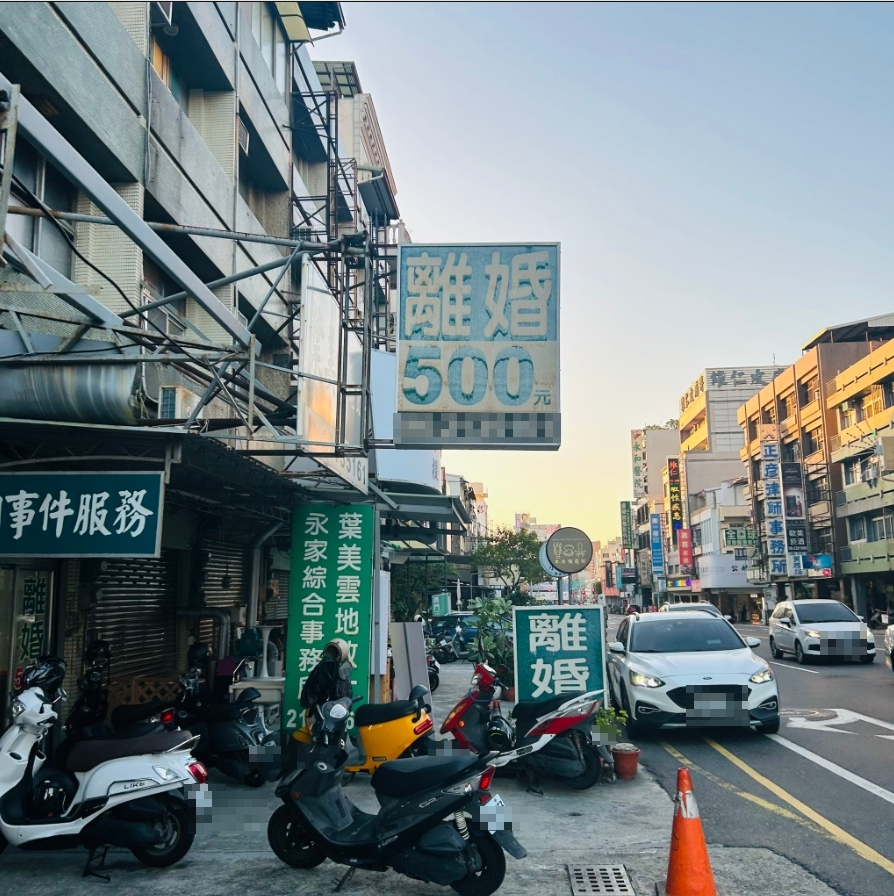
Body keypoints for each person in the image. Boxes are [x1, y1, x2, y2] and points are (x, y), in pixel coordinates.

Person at [299, 638, 356, 712]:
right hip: (319, 710)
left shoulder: (342, 674)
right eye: (330, 652)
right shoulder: (321, 668)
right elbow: (311, 692)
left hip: (334, 713)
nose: (330, 656)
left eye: (334, 653)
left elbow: (345, 697)